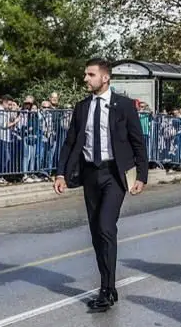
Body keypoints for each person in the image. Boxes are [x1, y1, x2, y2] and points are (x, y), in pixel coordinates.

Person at [55, 58, 149, 313]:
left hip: (114, 175)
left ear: (105, 78)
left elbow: (137, 142)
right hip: (90, 174)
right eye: (85, 74)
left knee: (106, 227)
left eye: (90, 74)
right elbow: (70, 142)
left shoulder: (124, 106)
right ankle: (109, 284)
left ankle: (106, 289)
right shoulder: (82, 107)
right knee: (97, 232)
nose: (86, 79)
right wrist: (61, 174)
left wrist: (141, 176)